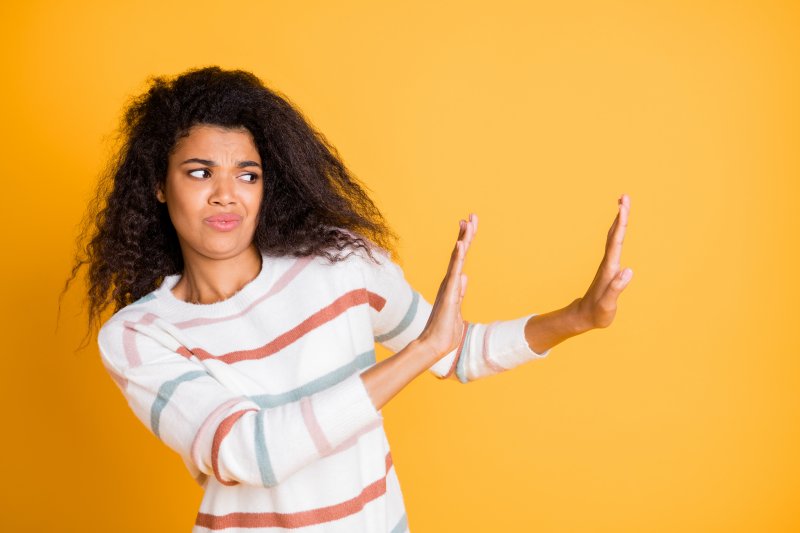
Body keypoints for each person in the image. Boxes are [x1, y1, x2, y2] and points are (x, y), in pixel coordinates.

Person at [64, 66, 633, 532]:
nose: (225, 195)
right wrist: (417, 354)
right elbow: (250, 453)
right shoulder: (139, 334)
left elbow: (455, 352)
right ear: (160, 186)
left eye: (248, 175)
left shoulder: (339, 263)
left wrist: (579, 317)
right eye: (198, 172)